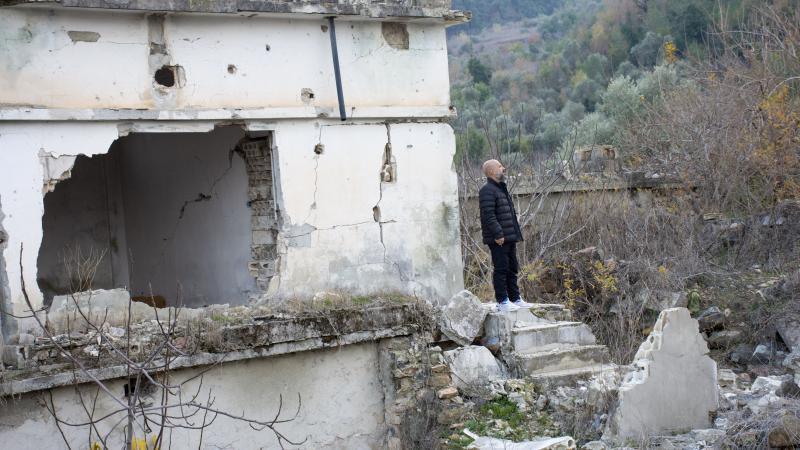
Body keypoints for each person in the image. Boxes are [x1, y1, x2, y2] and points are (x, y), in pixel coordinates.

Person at [479, 159, 533, 312]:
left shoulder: (501, 188)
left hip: (508, 237)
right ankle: (502, 301)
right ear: (491, 172)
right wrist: (498, 233)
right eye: (500, 166)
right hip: (499, 239)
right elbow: (488, 215)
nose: (504, 168)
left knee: (512, 267)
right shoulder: (487, 190)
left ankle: (515, 298)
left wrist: (512, 234)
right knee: (501, 268)